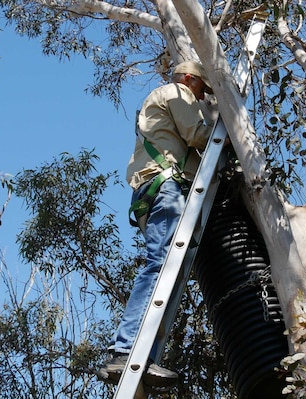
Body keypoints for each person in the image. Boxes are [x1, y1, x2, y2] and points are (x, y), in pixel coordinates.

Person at [98, 60, 215, 388]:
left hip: (151, 191)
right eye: (201, 90)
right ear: (189, 78)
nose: (202, 98)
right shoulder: (175, 92)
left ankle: (140, 355)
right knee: (160, 264)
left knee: (164, 266)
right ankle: (125, 350)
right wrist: (235, 138)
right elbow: (198, 134)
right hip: (163, 188)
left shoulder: (158, 107)